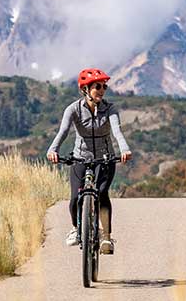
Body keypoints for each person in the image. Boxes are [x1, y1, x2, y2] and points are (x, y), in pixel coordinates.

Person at [47, 68, 132, 254]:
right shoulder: (73, 109)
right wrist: (53, 149)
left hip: (105, 159)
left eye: (104, 86)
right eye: (97, 87)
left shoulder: (110, 109)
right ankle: (77, 229)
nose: (102, 90)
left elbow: (117, 132)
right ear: (85, 89)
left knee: (101, 192)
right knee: (75, 198)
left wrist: (124, 149)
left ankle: (107, 238)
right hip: (80, 158)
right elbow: (63, 132)